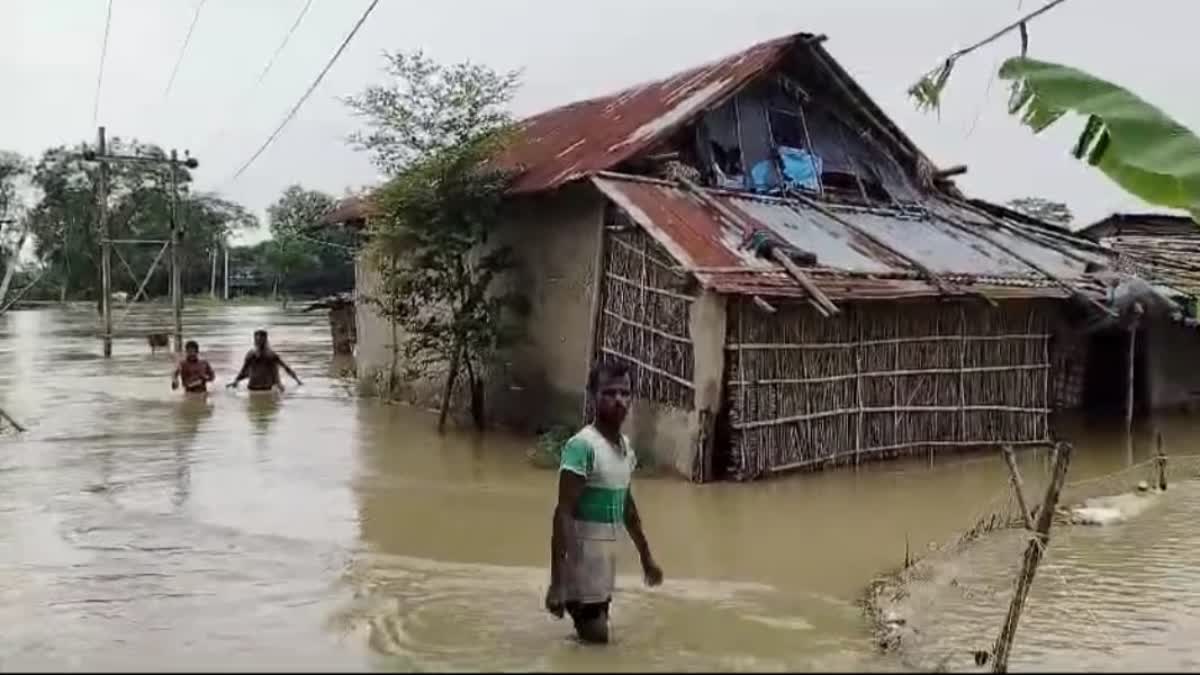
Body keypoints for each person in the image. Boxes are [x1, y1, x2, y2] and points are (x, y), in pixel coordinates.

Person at [544, 361, 663, 644]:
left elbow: (627, 509)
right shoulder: (582, 446)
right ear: (593, 395)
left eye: (624, 393)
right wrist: (558, 583)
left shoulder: (625, 449)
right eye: (609, 393)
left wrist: (646, 558)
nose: (619, 400)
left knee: (593, 639)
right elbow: (563, 514)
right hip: (580, 568)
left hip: (604, 566)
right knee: (597, 642)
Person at [227, 329, 302, 392]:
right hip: (253, 388)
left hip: (266, 388)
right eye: (257, 339)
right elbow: (244, 371)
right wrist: (236, 381)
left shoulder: (271, 355)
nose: (258, 341)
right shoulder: (251, 354)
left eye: (260, 339)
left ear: (265, 340)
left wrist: (297, 380)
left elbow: (286, 368)